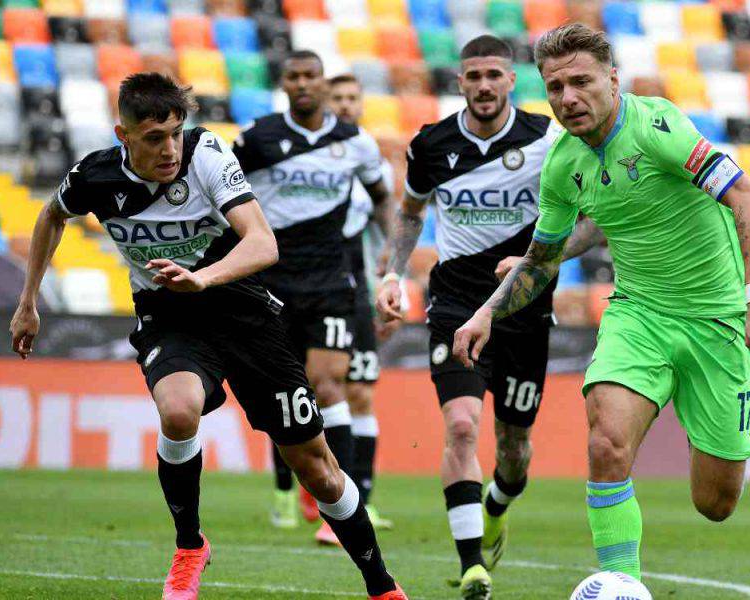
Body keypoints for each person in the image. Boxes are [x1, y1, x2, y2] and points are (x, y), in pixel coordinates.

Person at [8, 73, 407, 600]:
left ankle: (381, 586)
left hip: (244, 312)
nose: (170, 149)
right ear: (122, 135)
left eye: (175, 133)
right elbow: (50, 217)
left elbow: (263, 244)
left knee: (319, 470)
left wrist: (206, 277)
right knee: (178, 410)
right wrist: (28, 300)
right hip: (168, 315)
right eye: (154, 138)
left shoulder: (207, 155)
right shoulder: (95, 176)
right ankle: (190, 545)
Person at [452, 24, 750, 582]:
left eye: (581, 82)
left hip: (723, 320)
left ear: (613, 79)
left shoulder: (659, 127)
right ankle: (621, 586)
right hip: (640, 315)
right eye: (555, 88)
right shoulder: (562, 163)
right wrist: (486, 312)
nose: (568, 99)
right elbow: (541, 260)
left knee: (715, 503)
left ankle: (712, 421)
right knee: (606, 441)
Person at [375, 35, 599, 600]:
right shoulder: (431, 144)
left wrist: (541, 258)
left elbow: (595, 221)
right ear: (460, 83)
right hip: (453, 303)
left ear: (510, 81)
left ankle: (498, 503)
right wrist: (391, 275)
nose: (483, 86)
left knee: (515, 450)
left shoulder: (550, 140)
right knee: (460, 426)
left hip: (524, 307)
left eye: (493, 75)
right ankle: (473, 565)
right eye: (473, 76)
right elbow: (409, 214)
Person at [232, 52, 396, 546]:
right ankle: (290, 488)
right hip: (270, 286)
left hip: (330, 286)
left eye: (311, 76)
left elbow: (384, 198)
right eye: (293, 76)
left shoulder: (355, 143)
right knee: (284, 396)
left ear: (324, 83)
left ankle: (339, 508)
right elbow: (222, 197)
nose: (303, 83)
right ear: (283, 83)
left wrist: (392, 259)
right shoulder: (255, 138)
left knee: (330, 389)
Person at [329, 72, 399, 529]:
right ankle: (314, 491)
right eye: (337, 98)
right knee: (318, 391)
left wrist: (390, 289)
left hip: (357, 293)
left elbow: (389, 235)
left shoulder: (374, 165)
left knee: (359, 393)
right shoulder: (303, 162)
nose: (345, 105)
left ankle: (361, 497)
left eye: (353, 98)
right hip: (310, 292)